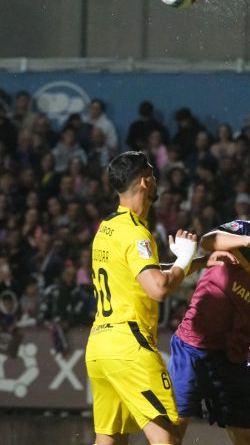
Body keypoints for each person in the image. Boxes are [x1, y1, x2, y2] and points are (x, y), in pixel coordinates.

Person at [85, 151, 198, 445]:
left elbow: (138, 273)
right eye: (153, 173)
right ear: (145, 182)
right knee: (167, 438)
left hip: (100, 346)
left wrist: (196, 262)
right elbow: (158, 288)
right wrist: (182, 261)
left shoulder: (106, 228)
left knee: (109, 440)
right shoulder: (137, 233)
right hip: (130, 347)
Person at [168, 189, 250, 445]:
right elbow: (207, 241)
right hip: (193, 348)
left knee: (248, 439)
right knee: (170, 433)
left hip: (233, 359)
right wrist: (245, 243)